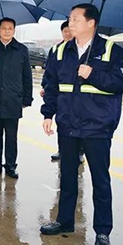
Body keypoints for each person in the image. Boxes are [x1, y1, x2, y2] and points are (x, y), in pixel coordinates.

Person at [39, 4, 123, 245]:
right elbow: (51, 84)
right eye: (69, 18)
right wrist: (48, 113)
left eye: (76, 19)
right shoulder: (59, 51)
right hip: (68, 124)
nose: (71, 23)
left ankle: (102, 231)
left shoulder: (112, 51)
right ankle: (65, 220)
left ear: (91, 23)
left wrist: (93, 75)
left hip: (98, 126)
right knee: (67, 176)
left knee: (101, 181)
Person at [0, 17, 33, 179]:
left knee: (11, 137)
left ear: (14, 30)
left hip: (13, 99)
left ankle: (10, 166)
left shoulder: (21, 50)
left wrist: (27, 98)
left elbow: (27, 75)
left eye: (10, 28)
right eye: (4, 28)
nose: (6, 31)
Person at [42, 21, 84, 164]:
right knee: (63, 125)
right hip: (62, 97)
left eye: (69, 31)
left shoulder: (82, 50)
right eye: (64, 31)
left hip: (79, 98)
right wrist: (45, 87)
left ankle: (79, 152)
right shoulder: (56, 50)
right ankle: (62, 150)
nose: (67, 34)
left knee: (80, 126)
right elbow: (49, 73)